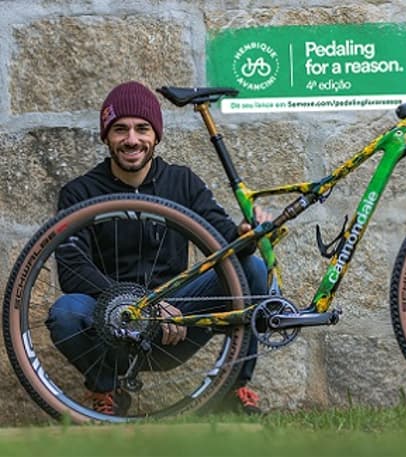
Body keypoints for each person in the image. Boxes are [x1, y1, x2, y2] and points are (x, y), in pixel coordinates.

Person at [45, 81, 268, 416]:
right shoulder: (79, 193)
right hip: (114, 320)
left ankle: (232, 391)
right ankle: (108, 391)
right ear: (106, 135)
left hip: (176, 321)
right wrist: (142, 304)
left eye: (142, 129)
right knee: (65, 312)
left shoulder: (182, 181)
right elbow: (72, 269)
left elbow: (226, 242)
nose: (132, 139)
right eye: (120, 129)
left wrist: (246, 233)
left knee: (251, 269)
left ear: (156, 135)